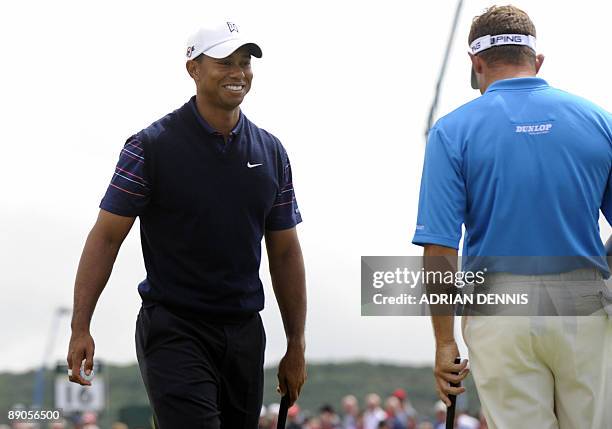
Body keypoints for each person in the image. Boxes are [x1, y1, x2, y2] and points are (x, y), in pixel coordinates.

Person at [67, 19, 307, 428]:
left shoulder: (272, 152)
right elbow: (106, 239)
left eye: (245, 62)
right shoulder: (150, 147)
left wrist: (296, 344)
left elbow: (284, 252)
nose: (238, 73)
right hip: (174, 329)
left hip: (245, 332)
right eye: (225, 62)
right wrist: (80, 327)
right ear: (193, 68)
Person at [413, 5, 612, 429]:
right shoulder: (600, 121)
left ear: (476, 63)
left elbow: (440, 247)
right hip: (586, 307)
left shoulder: (452, 130)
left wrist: (444, 340)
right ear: (537, 61)